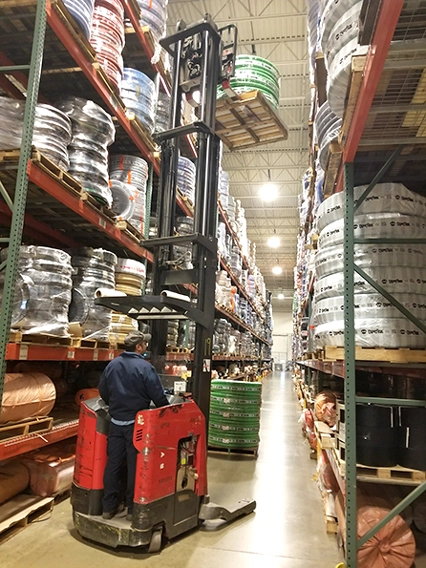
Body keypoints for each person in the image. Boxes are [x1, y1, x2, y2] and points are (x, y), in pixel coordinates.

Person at [98, 330, 169, 521]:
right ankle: (131, 508)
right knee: (134, 465)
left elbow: (103, 391)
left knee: (113, 464)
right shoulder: (145, 368)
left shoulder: (112, 365)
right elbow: (158, 396)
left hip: (116, 422)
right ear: (139, 347)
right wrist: (168, 411)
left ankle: (108, 507)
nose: (146, 347)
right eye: (144, 344)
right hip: (137, 425)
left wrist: (115, 405)